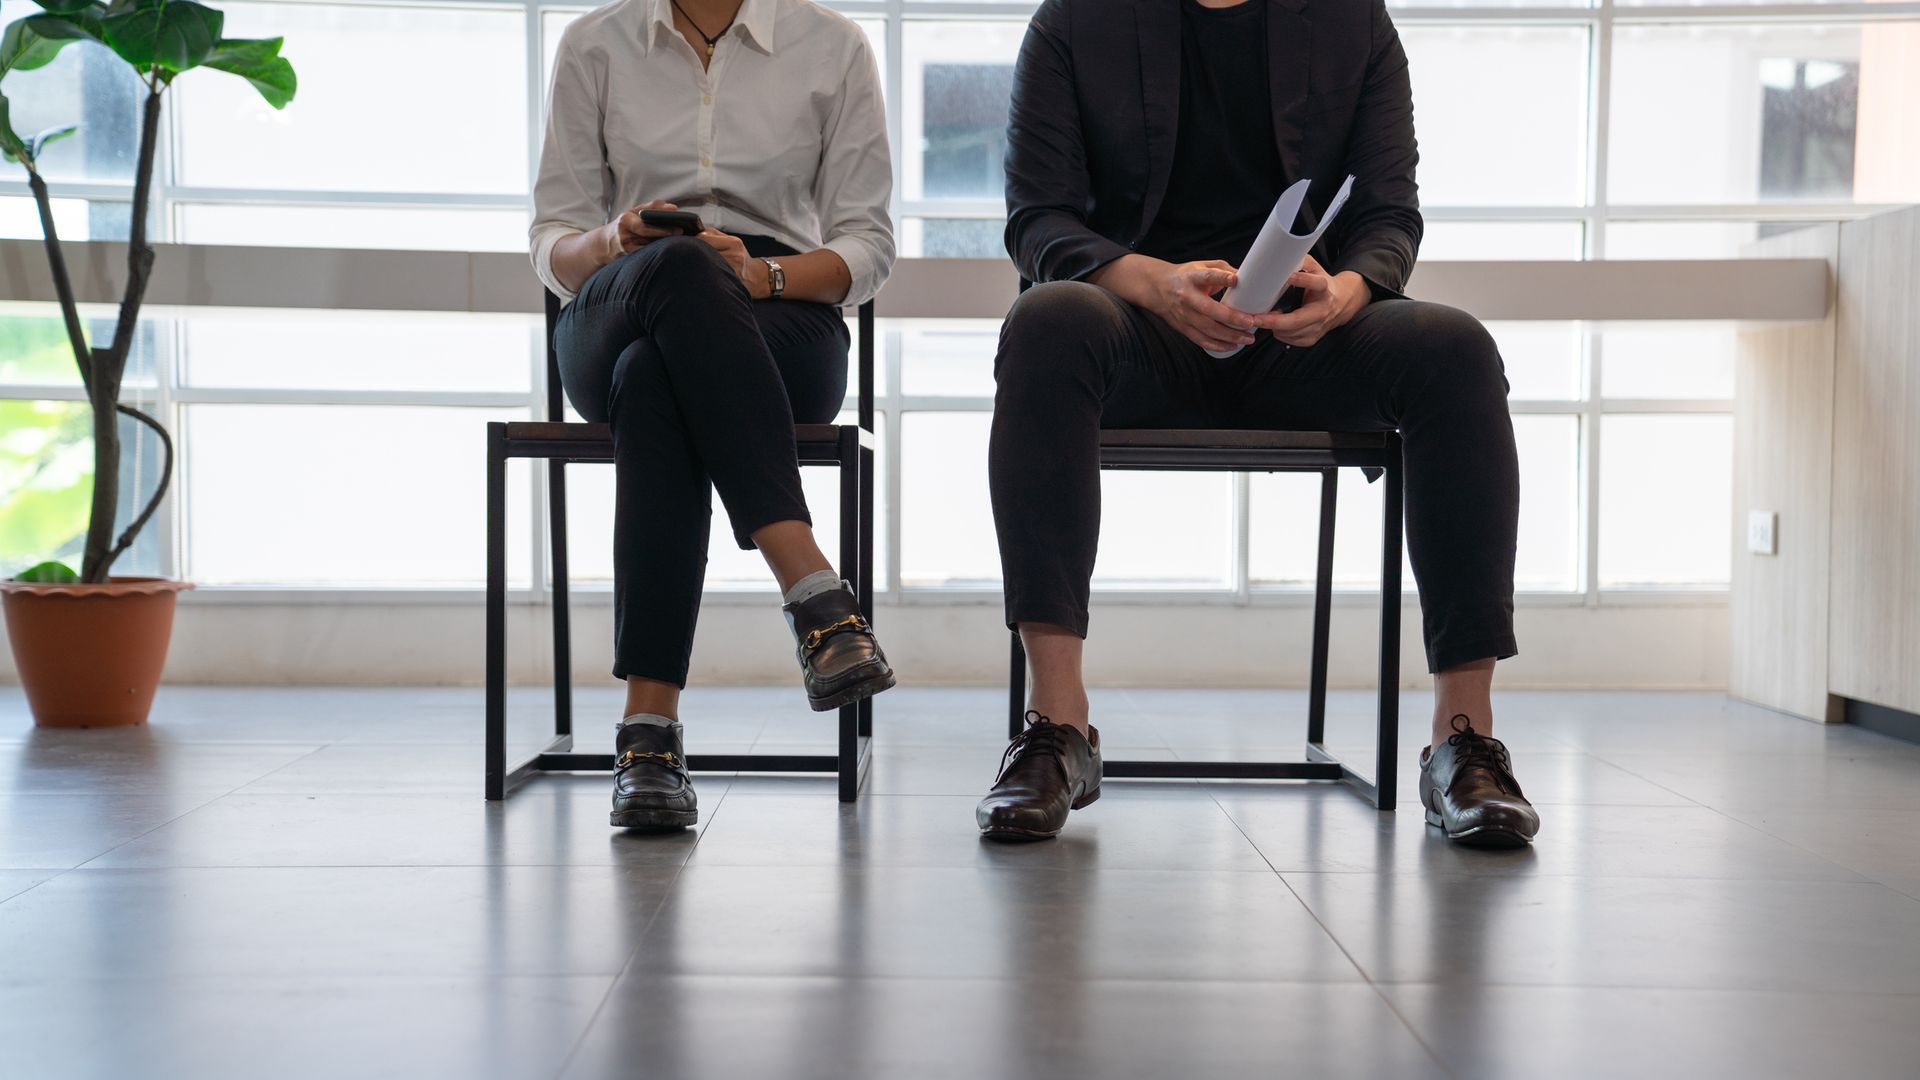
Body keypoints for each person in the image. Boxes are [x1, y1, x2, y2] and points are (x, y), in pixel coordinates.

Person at [976, 0, 1540, 847]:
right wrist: (1152, 282)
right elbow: (1037, 219)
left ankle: (1463, 745)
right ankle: (1056, 730)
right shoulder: (1075, 20)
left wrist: (1346, 292)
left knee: (1454, 348)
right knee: (1046, 321)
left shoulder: (1352, 21)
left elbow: (1390, 212)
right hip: (1138, 333)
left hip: (1303, 339)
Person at [530, 0, 896, 831]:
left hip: (778, 305)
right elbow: (552, 238)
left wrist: (760, 276)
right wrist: (611, 242)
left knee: (655, 375)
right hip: (620, 290)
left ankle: (647, 735)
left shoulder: (834, 46)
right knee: (675, 275)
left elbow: (866, 246)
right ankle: (815, 597)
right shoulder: (594, 43)